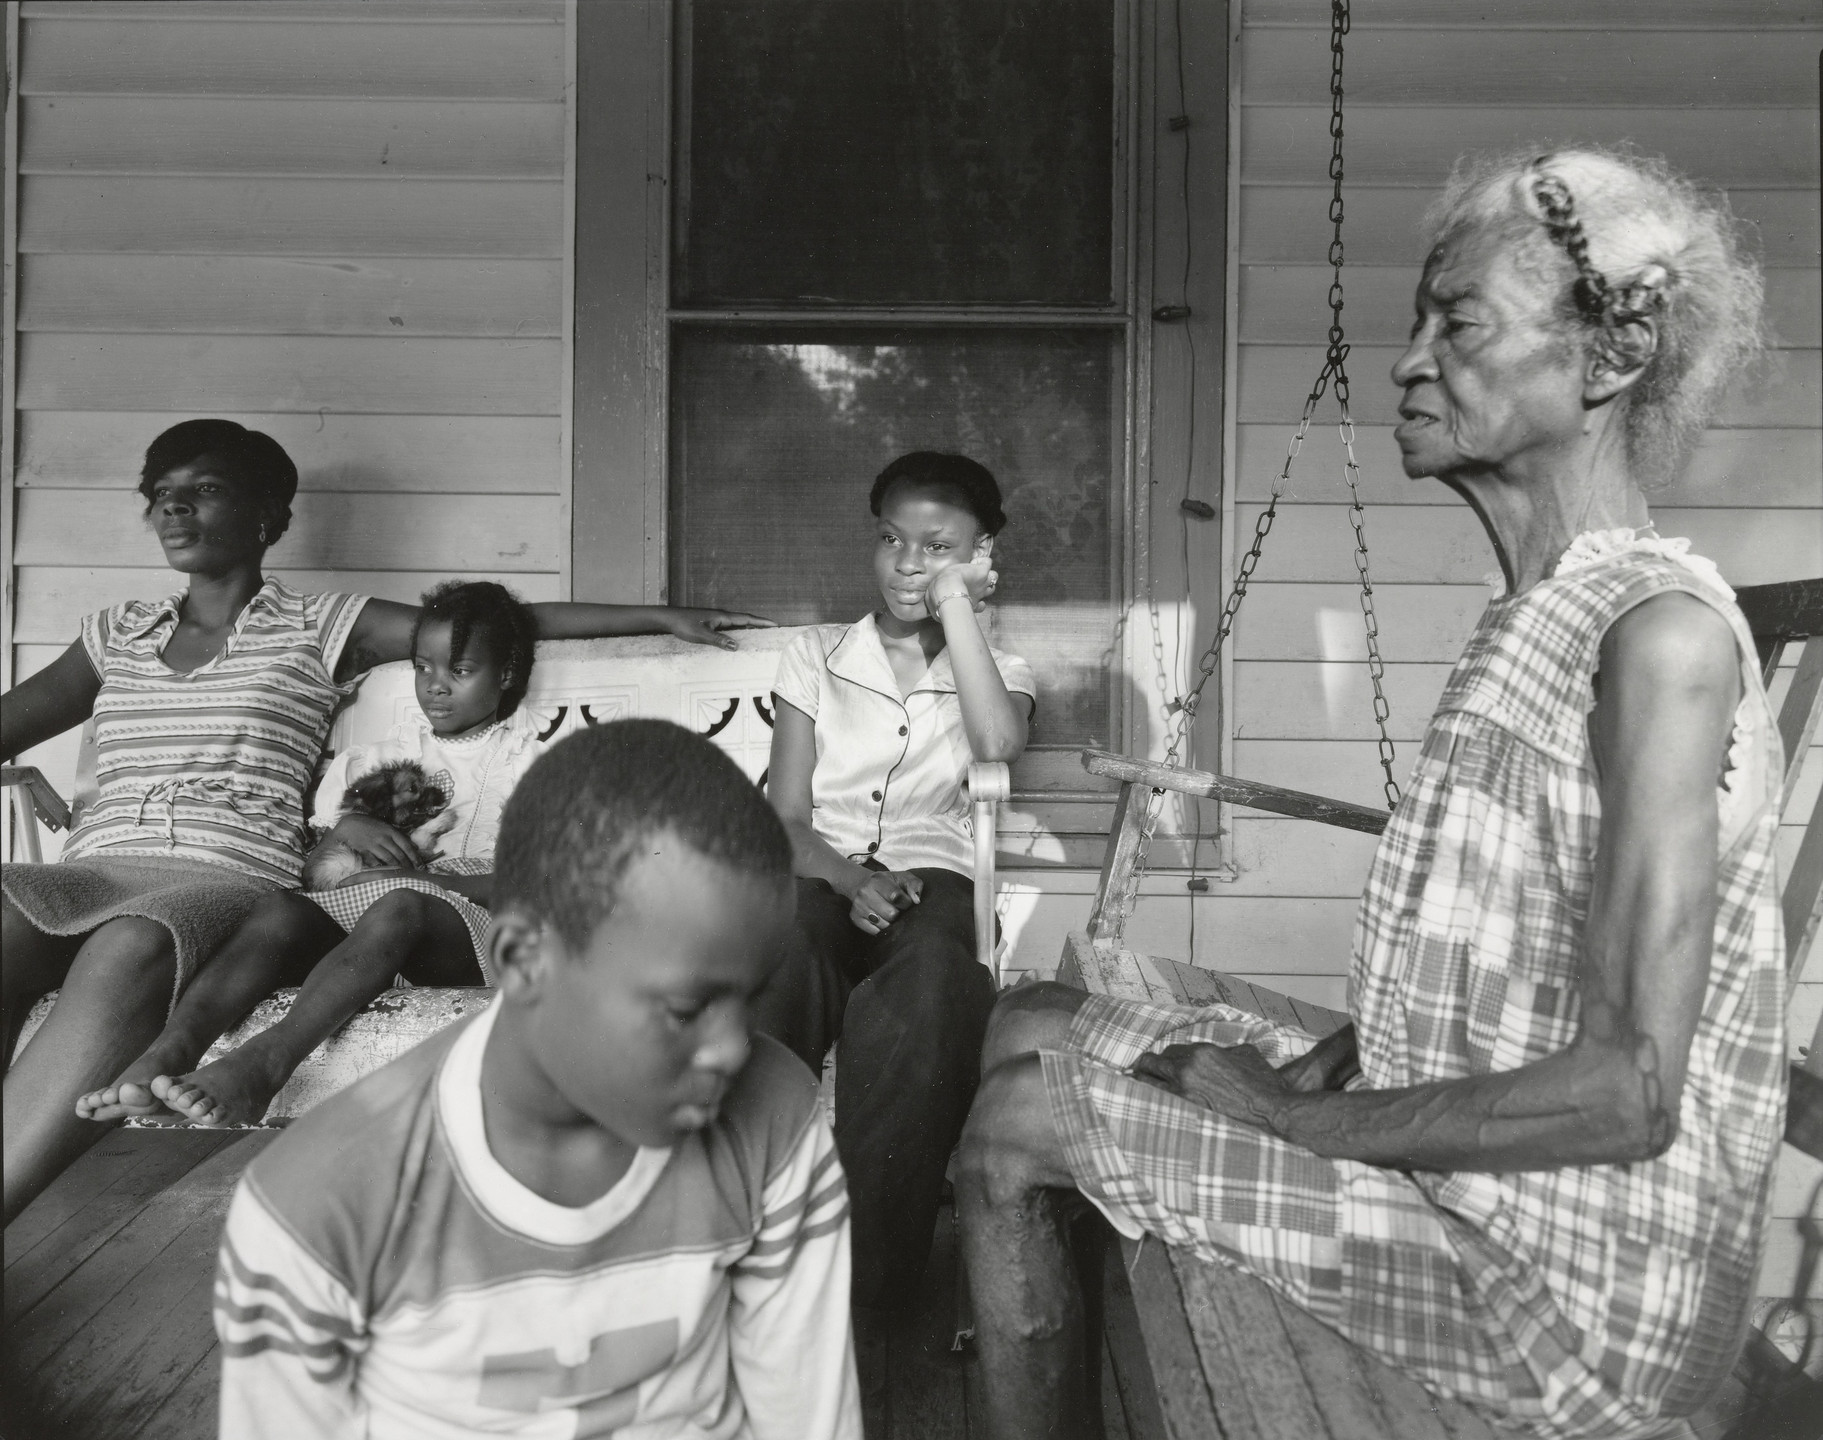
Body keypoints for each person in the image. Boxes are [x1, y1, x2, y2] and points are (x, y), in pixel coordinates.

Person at [958, 147, 1781, 1440]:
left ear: (1607, 362)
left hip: (1563, 1298)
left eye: (1455, 324)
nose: (1404, 361)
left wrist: (1294, 1117)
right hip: (1462, 1194)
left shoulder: (1656, 643)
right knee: (1034, 1022)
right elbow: (1502, 965)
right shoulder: (1535, 621)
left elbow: (1627, 1093)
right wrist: (1329, 1070)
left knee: (1014, 1124)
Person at [0, 418, 768, 1223]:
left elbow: (488, 628)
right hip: (91, 863)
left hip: (223, 874)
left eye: (204, 491)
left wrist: (656, 617)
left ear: (266, 516)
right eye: (161, 496)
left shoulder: (320, 624)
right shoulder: (113, 635)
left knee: (132, 942)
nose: (174, 510)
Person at [212, 720, 860, 1439]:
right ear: (522, 960)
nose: (734, 1048)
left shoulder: (776, 1115)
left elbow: (806, 1417)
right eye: (685, 1006)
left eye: (752, 994)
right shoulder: (316, 1206)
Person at [77, 581, 551, 1127]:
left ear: (507, 674)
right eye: (424, 668)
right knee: (281, 908)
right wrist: (341, 836)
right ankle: (168, 1054)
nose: (436, 688)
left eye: (460, 672)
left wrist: (424, 883)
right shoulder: (378, 759)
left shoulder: (535, 767)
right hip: (368, 928)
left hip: (469, 933)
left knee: (402, 904)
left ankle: (264, 1067)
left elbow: (538, 883)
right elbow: (315, 871)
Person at [752, 451, 1035, 1316]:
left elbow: (995, 747)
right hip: (818, 869)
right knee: (781, 952)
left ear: (980, 551)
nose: (908, 563)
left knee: (937, 988)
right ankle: (745, 1238)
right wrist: (844, 879)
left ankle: (864, 1288)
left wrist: (959, 605)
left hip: (932, 876)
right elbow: (787, 814)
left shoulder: (1000, 667)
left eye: (936, 546)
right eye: (890, 540)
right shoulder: (815, 654)